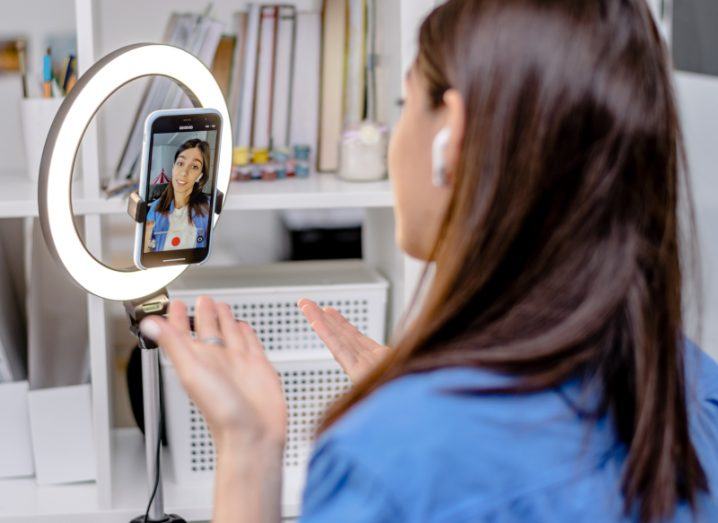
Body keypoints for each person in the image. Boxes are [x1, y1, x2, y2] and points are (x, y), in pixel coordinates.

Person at [138, 0, 718, 521]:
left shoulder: (388, 465)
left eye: (404, 103)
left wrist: (249, 449)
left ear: (453, 139)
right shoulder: (696, 388)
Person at [144, 138, 211, 253]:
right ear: (173, 167)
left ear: (200, 176)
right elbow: (147, 252)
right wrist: (146, 234)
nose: (184, 172)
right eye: (180, 163)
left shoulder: (209, 206)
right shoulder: (155, 208)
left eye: (194, 167)